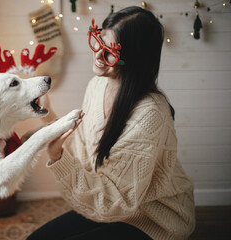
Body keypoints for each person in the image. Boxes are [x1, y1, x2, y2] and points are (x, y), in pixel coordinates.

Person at [26, 6, 196, 240]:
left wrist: (58, 158)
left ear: (134, 60)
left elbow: (117, 200)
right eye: (98, 41)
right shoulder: (97, 85)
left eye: (110, 53)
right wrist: (48, 114)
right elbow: (83, 150)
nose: (97, 56)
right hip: (113, 206)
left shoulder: (150, 114)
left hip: (153, 217)